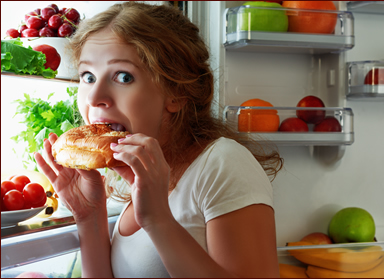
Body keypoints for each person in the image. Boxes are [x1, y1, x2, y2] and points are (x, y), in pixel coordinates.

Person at [34, 2, 284, 278]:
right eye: (88, 76)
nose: (94, 97)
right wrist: (89, 216)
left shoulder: (223, 164)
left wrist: (158, 220)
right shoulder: (130, 172)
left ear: (175, 91)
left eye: (123, 77)